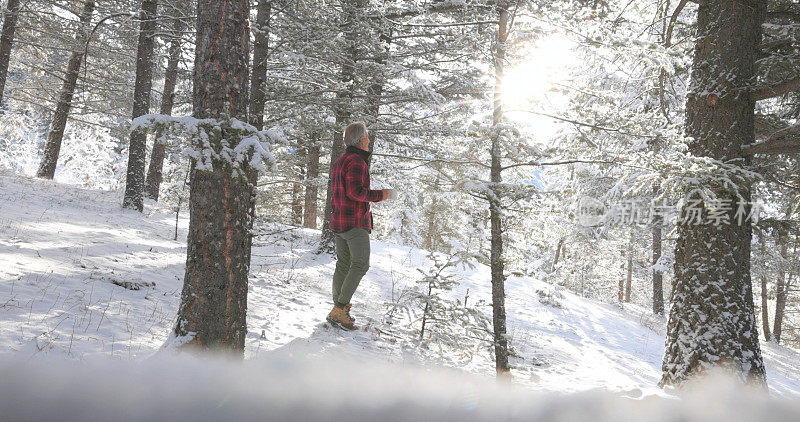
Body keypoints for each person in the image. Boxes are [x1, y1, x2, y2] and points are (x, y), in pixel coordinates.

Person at [326, 122, 393, 330]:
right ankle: (340, 309)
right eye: (367, 137)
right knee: (360, 264)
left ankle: (338, 310)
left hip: (339, 222)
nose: (369, 140)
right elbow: (356, 193)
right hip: (354, 223)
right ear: (359, 139)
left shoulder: (341, 161)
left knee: (344, 265)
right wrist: (382, 194)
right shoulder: (356, 161)